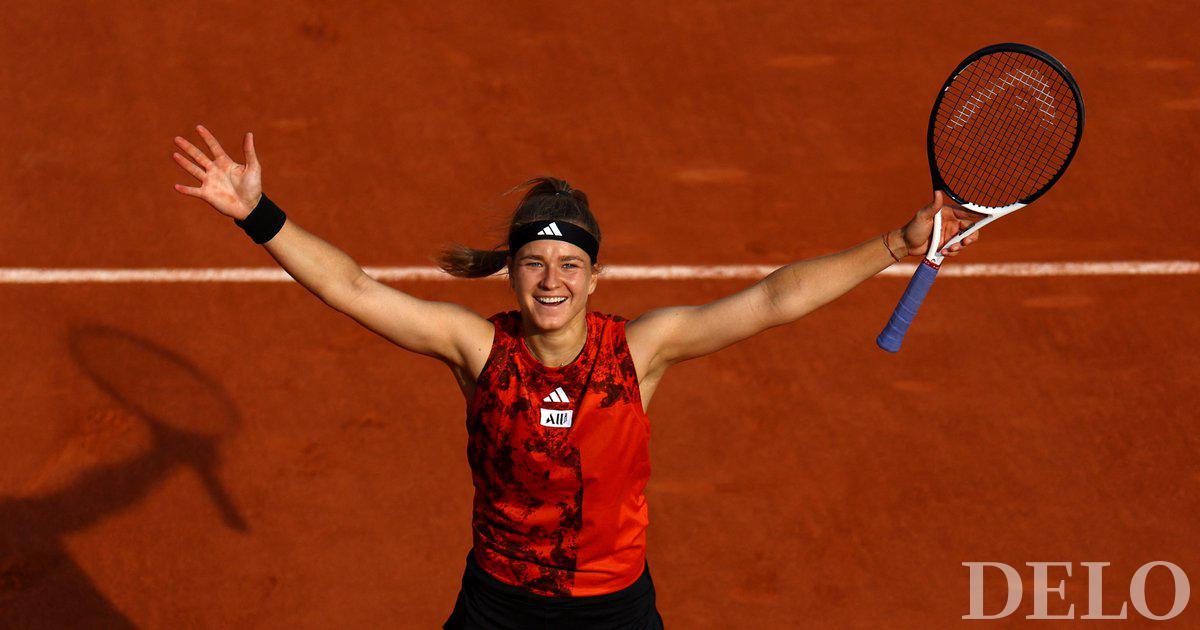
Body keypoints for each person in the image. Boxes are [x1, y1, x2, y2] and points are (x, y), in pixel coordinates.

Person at [171, 125, 980, 629]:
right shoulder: (477, 350)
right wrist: (257, 214)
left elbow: (772, 298)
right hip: (498, 604)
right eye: (534, 263)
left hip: (614, 608)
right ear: (512, 276)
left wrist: (894, 246)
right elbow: (351, 288)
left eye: (569, 263)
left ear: (594, 278)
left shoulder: (641, 351)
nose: (551, 280)